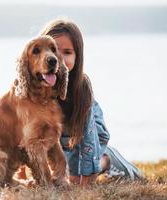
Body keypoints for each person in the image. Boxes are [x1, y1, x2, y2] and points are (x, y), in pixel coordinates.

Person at [17, 18, 142, 186]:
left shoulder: (81, 89)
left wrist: (84, 180)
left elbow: (88, 139)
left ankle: (105, 160)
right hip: (61, 144)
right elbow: (22, 135)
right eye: (53, 50)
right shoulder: (30, 88)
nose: (57, 58)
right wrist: (23, 175)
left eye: (67, 52)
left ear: (78, 57)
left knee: (126, 175)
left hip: (91, 138)